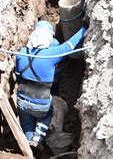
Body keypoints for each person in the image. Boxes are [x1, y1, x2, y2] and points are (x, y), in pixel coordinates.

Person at [15, 20, 86, 148]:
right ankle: (38, 138)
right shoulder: (50, 54)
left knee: (26, 123)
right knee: (48, 113)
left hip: (22, 101)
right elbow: (69, 46)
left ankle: (29, 143)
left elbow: (18, 77)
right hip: (42, 104)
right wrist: (83, 29)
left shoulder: (20, 53)